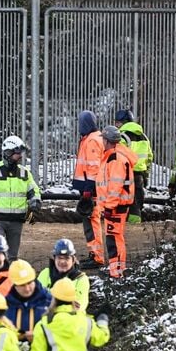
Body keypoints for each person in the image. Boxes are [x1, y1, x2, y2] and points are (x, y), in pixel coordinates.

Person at [96, 126, 135, 278]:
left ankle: (117, 273)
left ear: (107, 141)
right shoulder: (113, 156)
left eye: (103, 140)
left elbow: (115, 186)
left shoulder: (115, 159)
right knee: (113, 238)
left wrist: (108, 206)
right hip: (115, 205)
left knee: (114, 239)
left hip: (115, 206)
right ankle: (117, 271)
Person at [72, 111, 105, 269]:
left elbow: (93, 167)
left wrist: (88, 189)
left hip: (90, 189)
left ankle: (97, 256)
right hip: (90, 187)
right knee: (91, 221)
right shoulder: (93, 138)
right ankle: (94, 254)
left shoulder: (92, 140)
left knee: (92, 221)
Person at [113, 110, 153, 224]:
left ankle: (130, 227)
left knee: (127, 202)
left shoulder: (122, 136)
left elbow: (118, 157)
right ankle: (136, 224)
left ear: (123, 122)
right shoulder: (144, 137)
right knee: (138, 201)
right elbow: (149, 157)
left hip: (126, 173)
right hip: (140, 174)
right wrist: (146, 172)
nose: (116, 125)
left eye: (117, 123)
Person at [36, 239, 90, 311]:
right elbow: (36, 299)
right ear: (54, 259)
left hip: (72, 319)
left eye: (67, 258)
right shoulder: (45, 273)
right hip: (46, 316)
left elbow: (80, 306)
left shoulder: (81, 279)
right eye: (59, 258)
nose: (62, 262)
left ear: (73, 260)